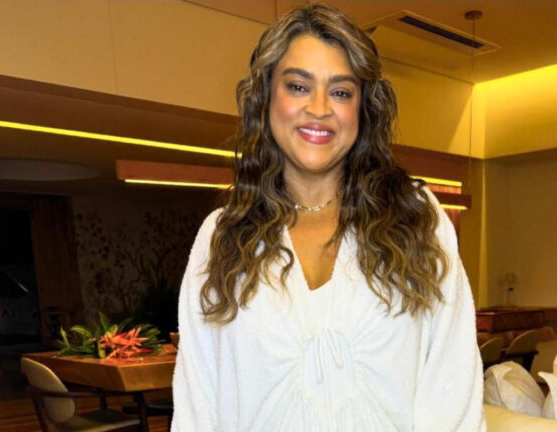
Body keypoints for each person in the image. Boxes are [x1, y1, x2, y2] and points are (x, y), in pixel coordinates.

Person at [172, 4, 484, 431]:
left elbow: (453, 388)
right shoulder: (221, 237)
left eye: (340, 92)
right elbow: (199, 404)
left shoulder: (416, 218)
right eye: (298, 86)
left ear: (363, 108)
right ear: (266, 98)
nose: (319, 108)